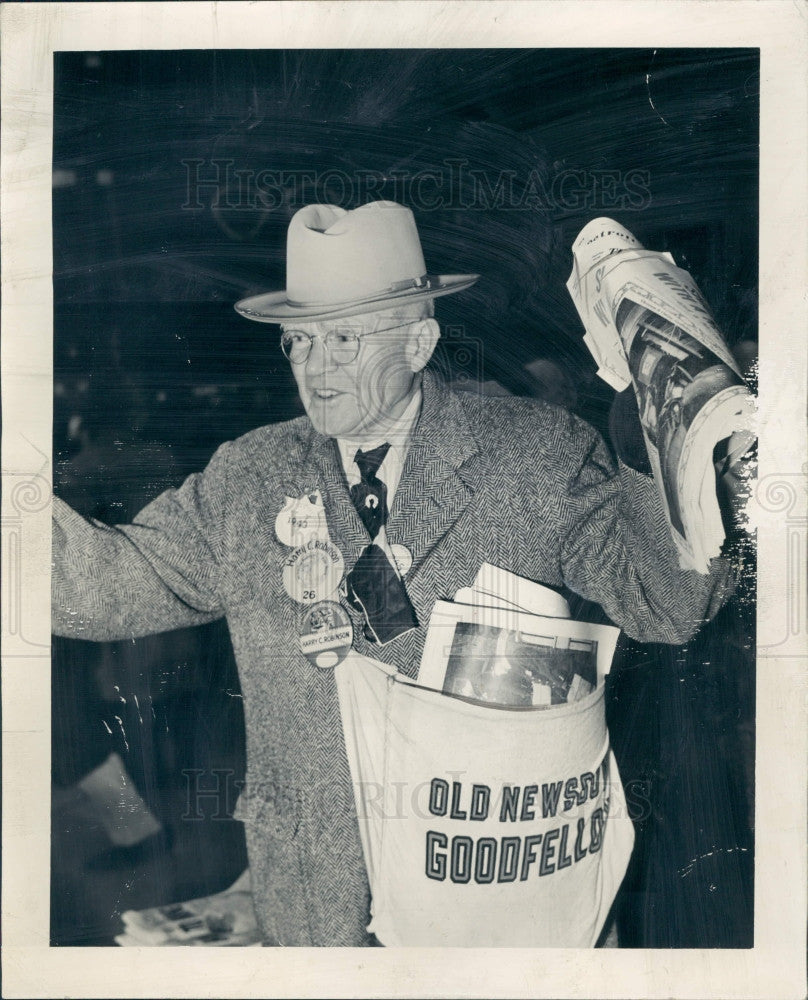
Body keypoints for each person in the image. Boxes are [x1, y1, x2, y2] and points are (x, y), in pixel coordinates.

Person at [52, 200, 744, 946]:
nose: (316, 370)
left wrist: (654, 459)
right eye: (298, 343)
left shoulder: (532, 454)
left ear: (420, 341)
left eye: (346, 339)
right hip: (319, 910)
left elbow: (667, 607)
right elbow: (98, 586)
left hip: (502, 913)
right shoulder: (249, 478)